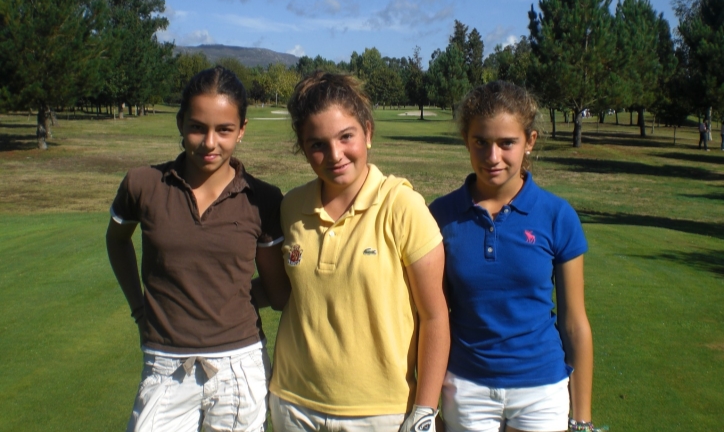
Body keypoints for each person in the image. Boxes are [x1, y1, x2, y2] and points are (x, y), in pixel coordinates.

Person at [106, 66, 289, 432]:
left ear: (242, 131)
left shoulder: (263, 198)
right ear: (180, 123)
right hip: (164, 364)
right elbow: (117, 240)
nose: (209, 143)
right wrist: (140, 310)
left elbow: (276, 291)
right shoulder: (143, 184)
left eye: (224, 130)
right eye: (197, 127)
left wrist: (221, 292)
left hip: (239, 366)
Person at [269, 71, 450, 432]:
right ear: (303, 148)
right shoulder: (291, 206)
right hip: (293, 403)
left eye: (346, 136)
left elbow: (435, 317)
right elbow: (287, 294)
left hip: (380, 413)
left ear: (367, 131)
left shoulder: (402, 205)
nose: (334, 155)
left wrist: (425, 410)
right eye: (317, 144)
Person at [429, 81, 600, 432]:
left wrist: (581, 420)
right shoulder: (440, 215)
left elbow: (574, 323)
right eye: (481, 142)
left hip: (541, 389)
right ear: (466, 140)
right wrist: (427, 403)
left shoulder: (557, 215)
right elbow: (432, 316)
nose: (493, 157)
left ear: (530, 141)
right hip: (466, 386)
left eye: (507, 143)